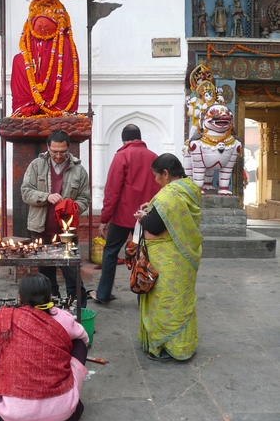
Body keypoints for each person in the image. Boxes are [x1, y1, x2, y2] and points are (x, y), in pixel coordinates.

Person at [0, 273, 88, 421]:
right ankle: (64, 393)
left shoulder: (3, 319)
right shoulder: (62, 317)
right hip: (61, 419)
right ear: (50, 296)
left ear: (20, 298)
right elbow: (84, 337)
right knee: (79, 343)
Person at [134, 153, 202, 362]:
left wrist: (144, 217)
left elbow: (154, 226)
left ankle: (165, 346)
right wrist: (153, 210)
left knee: (166, 302)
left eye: (156, 176)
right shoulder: (190, 188)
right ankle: (183, 345)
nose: (155, 181)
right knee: (182, 301)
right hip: (184, 259)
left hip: (169, 260)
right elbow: (170, 216)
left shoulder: (169, 195)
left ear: (165, 173)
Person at [89, 125, 159, 304]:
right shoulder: (154, 158)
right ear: (140, 138)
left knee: (111, 251)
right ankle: (142, 295)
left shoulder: (122, 156)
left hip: (123, 216)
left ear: (124, 141)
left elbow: (112, 190)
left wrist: (104, 219)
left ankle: (103, 293)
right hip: (146, 216)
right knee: (143, 254)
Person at [21, 130, 90, 307]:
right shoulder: (37, 165)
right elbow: (25, 192)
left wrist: (73, 207)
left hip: (67, 232)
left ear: (68, 148)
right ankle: (50, 314)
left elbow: (85, 199)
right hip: (40, 230)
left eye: (62, 152)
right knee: (45, 277)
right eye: (54, 152)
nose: (58, 156)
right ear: (48, 148)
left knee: (72, 273)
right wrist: (46, 196)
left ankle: (78, 315)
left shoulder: (79, 170)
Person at [10, 0, 79, 117]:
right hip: (36, 57)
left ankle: (45, 105)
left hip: (55, 51)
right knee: (18, 60)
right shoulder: (35, 28)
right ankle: (33, 104)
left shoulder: (63, 42)